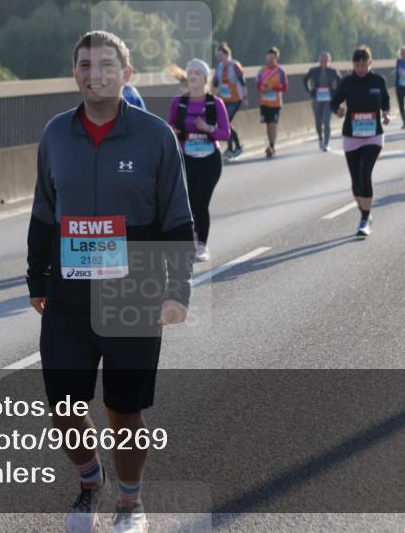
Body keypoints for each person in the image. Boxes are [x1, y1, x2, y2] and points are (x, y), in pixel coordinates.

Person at [27, 31, 194, 533]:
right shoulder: (55, 133)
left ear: (127, 74)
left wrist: (177, 289)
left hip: (134, 293)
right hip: (69, 296)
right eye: (84, 64)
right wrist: (37, 277)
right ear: (74, 72)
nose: (93, 73)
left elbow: (178, 220)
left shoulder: (155, 136)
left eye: (105, 64)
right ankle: (89, 480)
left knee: (123, 411)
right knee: (63, 407)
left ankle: (130, 501)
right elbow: (42, 212)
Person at [168, 60, 230, 262]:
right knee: (188, 204)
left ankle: (201, 247)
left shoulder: (215, 103)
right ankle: (190, 244)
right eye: (190, 73)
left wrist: (207, 128)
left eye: (197, 73)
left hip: (210, 160)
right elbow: (169, 130)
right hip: (187, 158)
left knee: (200, 203)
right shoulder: (179, 102)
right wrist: (175, 132)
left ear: (205, 78)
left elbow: (225, 134)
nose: (193, 76)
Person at [330, 46, 391, 237]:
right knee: (356, 182)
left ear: (370, 63)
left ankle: (364, 219)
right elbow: (334, 101)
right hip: (352, 135)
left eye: (364, 65)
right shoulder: (347, 82)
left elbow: (386, 100)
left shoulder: (378, 81)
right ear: (353, 65)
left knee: (366, 172)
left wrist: (386, 113)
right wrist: (337, 110)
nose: (361, 69)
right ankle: (364, 212)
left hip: (373, 135)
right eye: (357, 65)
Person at [211, 42, 247, 160]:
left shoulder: (235, 66)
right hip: (223, 99)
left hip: (235, 99)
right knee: (224, 124)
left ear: (227, 55)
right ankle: (232, 148)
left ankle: (235, 147)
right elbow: (215, 83)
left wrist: (245, 98)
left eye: (221, 55)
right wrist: (212, 97)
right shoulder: (219, 68)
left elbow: (242, 82)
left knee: (226, 123)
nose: (219, 58)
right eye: (218, 56)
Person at [303, 51, 343, 151]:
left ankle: (326, 143)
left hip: (329, 99)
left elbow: (341, 81)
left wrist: (335, 91)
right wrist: (309, 90)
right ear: (319, 60)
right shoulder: (313, 71)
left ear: (329, 61)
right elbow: (305, 79)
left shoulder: (333, 71)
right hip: (317, 98)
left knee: (326, 121)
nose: (324, 61)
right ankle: (320, 138)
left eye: (326, 60)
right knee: (318, 121)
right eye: (322, 59)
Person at [255, 47, 289, 157]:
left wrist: (273, 88)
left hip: (276, 103)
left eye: (272, 58)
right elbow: (257, 84)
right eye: (268, 57)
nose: (270, 60)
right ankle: (270, 144)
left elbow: (285, 87)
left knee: (273, 125)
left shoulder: (280, 71)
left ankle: (272, 146)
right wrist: (262, 88)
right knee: (268, 125)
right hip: (264, 102)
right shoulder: (261, 70)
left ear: (276, 58)